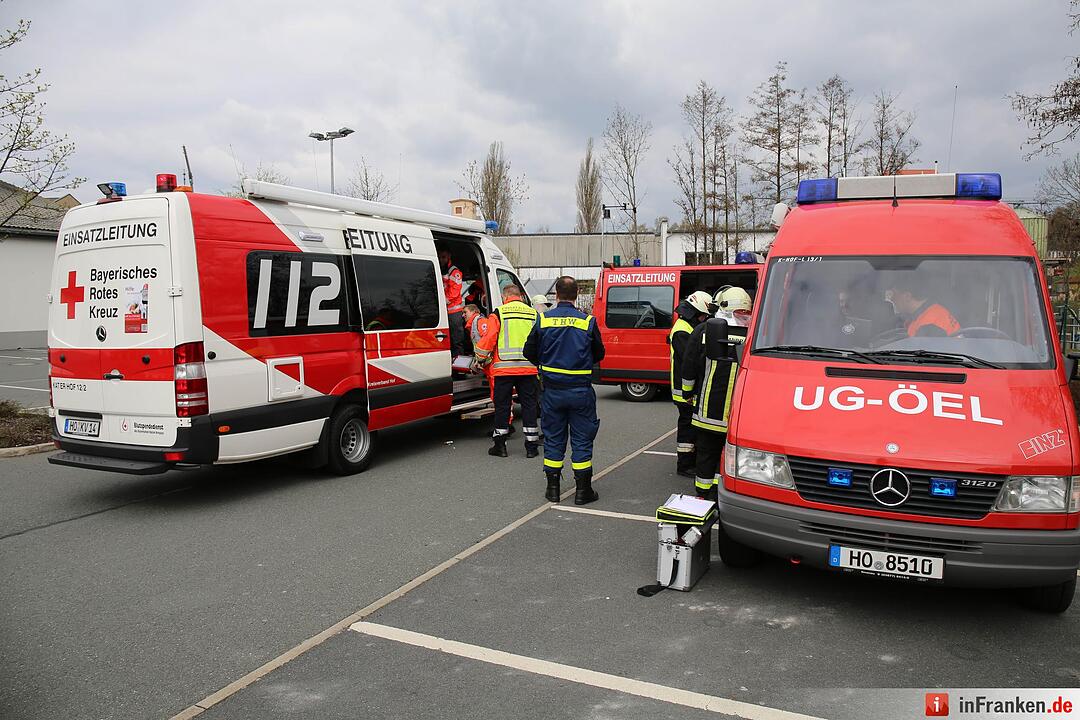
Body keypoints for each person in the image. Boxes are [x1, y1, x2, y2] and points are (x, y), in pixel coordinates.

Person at [524, 276, 605, 505]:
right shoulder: (587, 321)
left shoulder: (543, 320)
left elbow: (528, 351)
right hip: (580, 390)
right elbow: (599, 353)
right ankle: (582, 492)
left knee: (553, 438)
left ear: (556, 295)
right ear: (577, 294)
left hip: (552, 390)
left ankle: (553, 490)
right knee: (581, 439)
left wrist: (548, 362)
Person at [680, 286, 752, 503]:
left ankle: (703, 497)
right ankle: (728, 497)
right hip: (740, 416)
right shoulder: (754, 335)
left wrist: (687, 393)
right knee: (734, 460)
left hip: (708, 413)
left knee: (706, 456)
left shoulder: (702, 331)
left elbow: (689, 366)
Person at [473, 285, 540, 458]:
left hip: (504, 370)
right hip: (528, 369)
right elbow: (541, 340)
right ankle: (532, 447)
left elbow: (489, 339)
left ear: (505, 297)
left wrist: (479, 359)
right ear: (520, 296)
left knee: (503, 406)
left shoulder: (499, 313)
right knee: (529, 406)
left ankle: (500, 446)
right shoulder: (533, 314)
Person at [669, 291, 714, 478]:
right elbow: (692, 361)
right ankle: (685, 465)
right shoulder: (682, 330)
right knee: (687, 427)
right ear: (695, 313)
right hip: (683, 390)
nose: (704, 319)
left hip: (687, 388)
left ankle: (689, 461)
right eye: (703, 315)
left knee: (690, 425)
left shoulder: (686, 326)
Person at [885, 275, 959, 337]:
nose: (892, 299)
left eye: (894, 294)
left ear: (907, 296)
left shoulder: (928, 325)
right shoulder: (932, 310)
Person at [439, 249, 466, 357]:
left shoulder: (454, 272)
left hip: (454, 312)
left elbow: (454, 293)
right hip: (443, 311)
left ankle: (459, 363)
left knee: (456, 340)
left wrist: (441, 302)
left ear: (449, 256)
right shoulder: (440, 269)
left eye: (444, 257)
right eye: (440, 257)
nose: (442, 260)